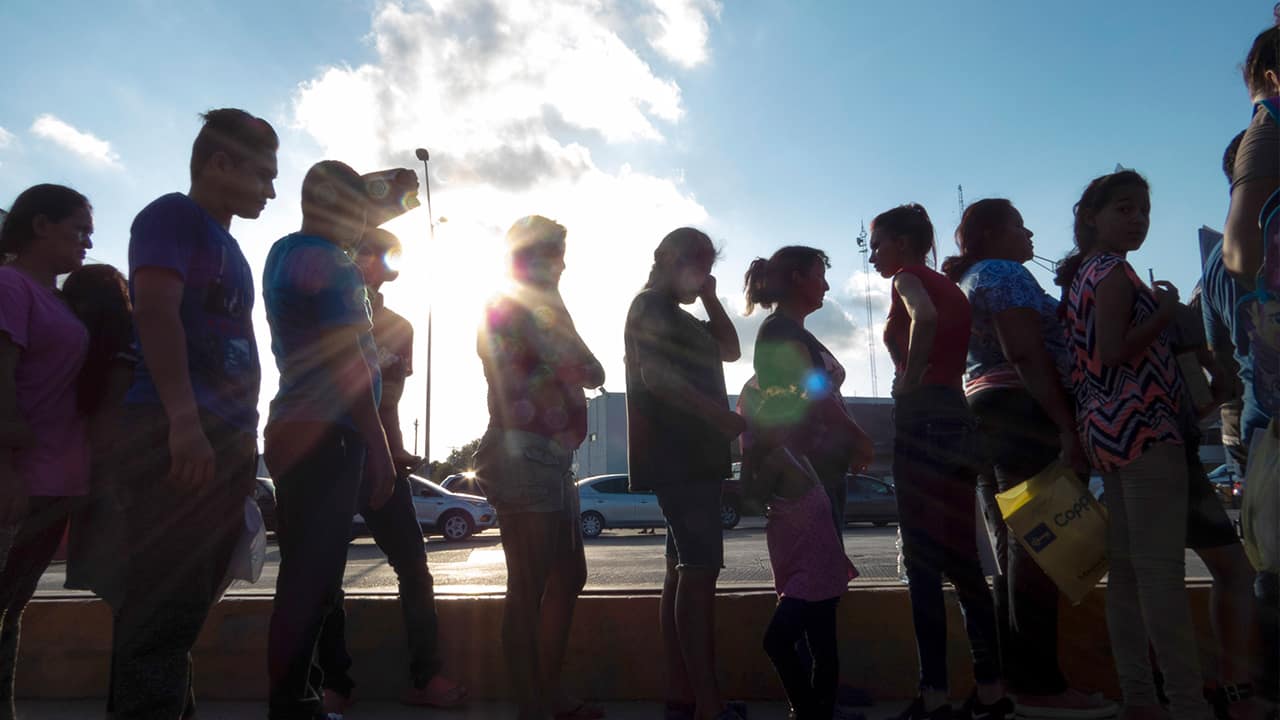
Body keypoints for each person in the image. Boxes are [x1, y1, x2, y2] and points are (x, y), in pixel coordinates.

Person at [109, 107, 276, 720]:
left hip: (223, 437)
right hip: (177, 430)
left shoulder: (228, 244)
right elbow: (154, 310)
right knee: (160, 611)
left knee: (181, 615)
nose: (272, 190)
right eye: (262, 174)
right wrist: (183, 421)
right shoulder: (170, 216)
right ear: (219, 163)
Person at [941, 198, 1116, 720]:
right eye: (1020, 224)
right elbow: (1024, 350)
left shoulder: (971, 279)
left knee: (1017, 551)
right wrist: (1066, 424)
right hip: (1022, 410)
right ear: (993, 234)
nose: (1030, 233)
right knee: (1041, 549)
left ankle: (1017, 679)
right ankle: (1041, 685)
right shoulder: (1004, 273)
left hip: (987, 411)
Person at [1057, 170, 1208, 720]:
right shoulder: (1114, 271)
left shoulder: (1082, 276)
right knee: (1160, 573)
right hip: (1145, 429)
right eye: (1125, 209)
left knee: (1126, 575)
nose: (1138, 220)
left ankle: (1140, 698)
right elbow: (1114, 350)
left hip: (1107, 431)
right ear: (1091, 216)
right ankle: (1187, 703)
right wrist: (1166, 313)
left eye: (1143, 211)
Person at [262, 160, 396, 720]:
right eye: (357, 208)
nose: (366, 221)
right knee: (312, 580)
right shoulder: (336, 266)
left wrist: (385, 196)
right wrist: (381, 447)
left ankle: (301, 696)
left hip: (290, 423)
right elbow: (351, 366)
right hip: (331, 433)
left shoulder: (283, 252)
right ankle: (293, 704)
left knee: (304, 571)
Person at [314, 226, 467, 714]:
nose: (372, 264)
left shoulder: (400, 325)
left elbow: (391, 399)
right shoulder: (325, 306)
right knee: (323, 573)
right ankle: (333, 682)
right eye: (364, 254)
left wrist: (394, 451)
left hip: (380, 458)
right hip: (328, 454)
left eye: (383, 257)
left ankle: (426, 676)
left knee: (415, 568)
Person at [869, 203, 1008, 720]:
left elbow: (922, 318)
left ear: (903, 244)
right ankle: (992, 688)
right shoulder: (952, 286)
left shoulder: (907, 277)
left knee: (924, 566)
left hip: (923, 418)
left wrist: (908, 380)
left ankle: (934, 696)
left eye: (878, 243)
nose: (875, 255)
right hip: (958, 417)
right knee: (965, 561)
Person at [474, 215, 605, 720]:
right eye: (555, 252)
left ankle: (547, 692)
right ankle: (533, 704)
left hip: (554, 459)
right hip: (521, 453)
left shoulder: (549, 305)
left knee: (569, 575)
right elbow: (519, 373)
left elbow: (592, 368)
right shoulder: (504, 304)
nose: (564, 263)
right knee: (527, 585)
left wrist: (567, 361)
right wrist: (564, 365)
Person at [624, 227, 744, 720]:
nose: (701, 273)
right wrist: (720, 419)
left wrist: (712, 299)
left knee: (681, 572)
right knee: (699, 573)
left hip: (695, 458)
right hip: (682, 457)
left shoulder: (683, 316)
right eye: (694, 263)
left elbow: (732, 350)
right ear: (664, 258)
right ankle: (708, 706)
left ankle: (684, 694)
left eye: (707, 264)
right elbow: (657, 377)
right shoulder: (649, 305)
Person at [0, 184, 92, 720]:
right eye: (78, 229)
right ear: (40, 226)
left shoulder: (54, 297)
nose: (87, 241)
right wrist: (5, 468)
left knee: (10, 611)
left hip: (55, 480)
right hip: (18, 480)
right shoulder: (10, 285)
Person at [1203, 130, 1277, 720]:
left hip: (1258, 428)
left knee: (1267, 569)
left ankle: (1263, 691)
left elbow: (1220, 367)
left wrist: (1236, 452)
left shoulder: (1215, 265)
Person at [742, 246, 874, 537]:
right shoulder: (780, 330)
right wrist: (858, 435)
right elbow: (814, 392)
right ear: (797, 278)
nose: (826, 285)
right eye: (820, 276)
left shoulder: (791, 330)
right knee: (819, 564)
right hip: (806, 468)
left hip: (819, 465)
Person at [749, 419, 857, 720]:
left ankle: (808, 710)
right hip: (823, 565)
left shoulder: (778, 459)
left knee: (777, 641)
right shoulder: (799, 456)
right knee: (822, 647)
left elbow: (749, 502)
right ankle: (819, 712)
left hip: (808, 571)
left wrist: (745, 457)